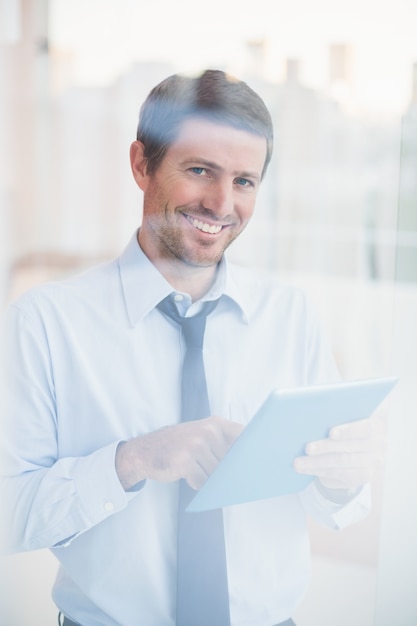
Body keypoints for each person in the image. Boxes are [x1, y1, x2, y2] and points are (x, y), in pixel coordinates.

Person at [1, 69, 378, 626]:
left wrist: (342, 481)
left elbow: (335, 502)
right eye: (200, 170)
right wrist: (131, 461)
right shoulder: (46, 323)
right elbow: (10, 513)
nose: (222, 203)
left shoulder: (291, 316)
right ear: (140, 164)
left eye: (245, 181)